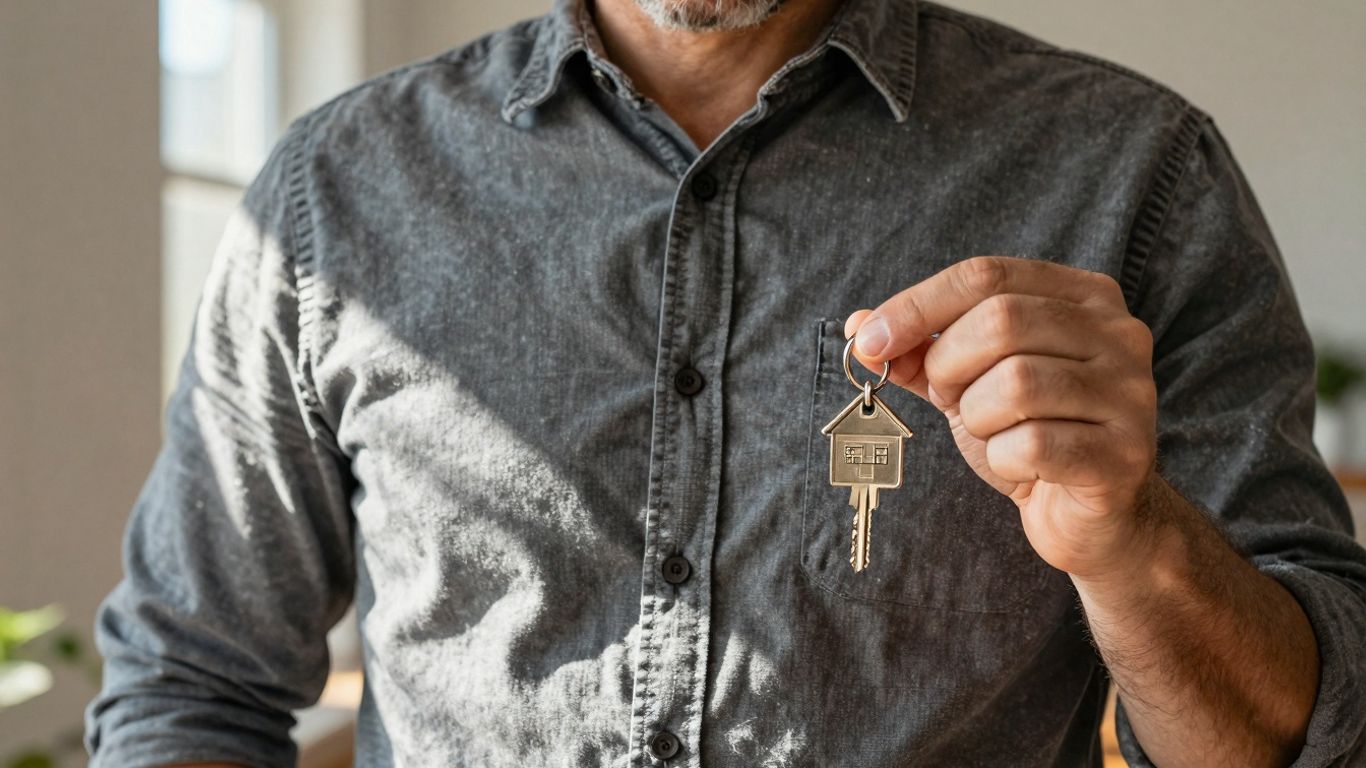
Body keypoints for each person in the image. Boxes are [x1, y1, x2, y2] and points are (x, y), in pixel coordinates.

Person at [86, 0, 1366, 765]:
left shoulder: (1136, 177)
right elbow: (191, 679)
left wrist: (1131, 543)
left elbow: (1297, 740)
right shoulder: (335, 192)